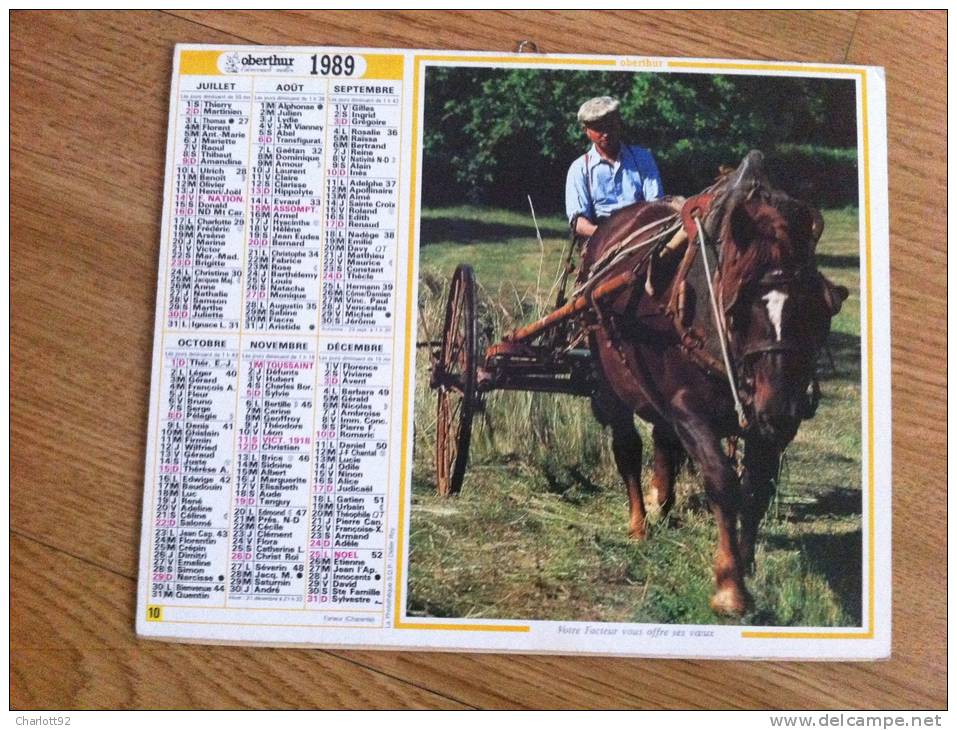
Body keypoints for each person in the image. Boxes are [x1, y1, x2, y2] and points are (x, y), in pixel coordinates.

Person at [565, 96, 664, 239]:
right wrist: (609, 235)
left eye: (610, 126)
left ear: (618, 124)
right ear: (586, 130)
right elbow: (578, 222)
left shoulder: (642, 157)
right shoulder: (580, 168)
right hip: (600, 239)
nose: (606, 133)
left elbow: (656, 204)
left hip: (642, 233)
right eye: (598, 128)